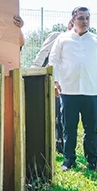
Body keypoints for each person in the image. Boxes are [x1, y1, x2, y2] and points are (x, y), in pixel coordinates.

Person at [49, 6, 97, 174]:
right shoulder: (63, 39)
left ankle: (93, 161)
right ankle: (68, 160)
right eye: (81, 18)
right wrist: (55, 81)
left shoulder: (95, 40)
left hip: (91, 91)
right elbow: (54, 61)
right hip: (68, 91)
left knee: (91, 129)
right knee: (69, 128)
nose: (84, 21)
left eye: (87, 18)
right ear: (73, 20)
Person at [31, 21, 73, 154]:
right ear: (69, 26)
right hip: (50, 81)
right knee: (52, 113)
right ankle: (46, 144)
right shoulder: (56, 36)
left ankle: (60, 145)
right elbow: (42, 55)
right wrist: (32, 73)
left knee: (63, 116)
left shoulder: (78, 42)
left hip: (67, 84)